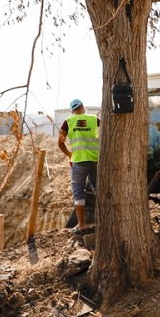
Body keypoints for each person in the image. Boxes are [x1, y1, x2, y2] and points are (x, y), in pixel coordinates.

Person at [58, 98, 99, 230]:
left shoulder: (68, 122)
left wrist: (70, 154)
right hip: (95, 160)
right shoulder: (94, 119)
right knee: (99, 190)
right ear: (83, 107)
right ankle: (106, 220)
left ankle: (81, 225)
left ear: (72, 111)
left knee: (78, 193)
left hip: (78, 161)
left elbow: (60, 142)